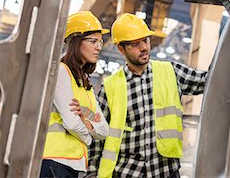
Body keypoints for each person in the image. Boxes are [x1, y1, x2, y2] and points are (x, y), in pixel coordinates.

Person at [88, 13, 208, 178]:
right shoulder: (110, 87)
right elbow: (97, 137)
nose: (144, 47)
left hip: (165, 171)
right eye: (135, 44)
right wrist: (92, 174)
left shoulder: (171, 72)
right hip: (127, 173)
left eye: (145, 40)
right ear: (121, 49)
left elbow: (208, 80)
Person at [40, 11, 110, 178]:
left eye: (100, 42)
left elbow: (105, 129)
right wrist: (89, 138)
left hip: (73, 163)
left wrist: (87, 123)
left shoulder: (84, 81)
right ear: (76, 42)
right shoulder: (61, 72)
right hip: (54, 160)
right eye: (93, 41)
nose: (98, 47)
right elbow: (71, 123)